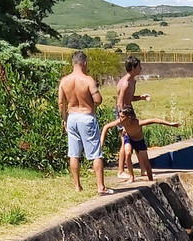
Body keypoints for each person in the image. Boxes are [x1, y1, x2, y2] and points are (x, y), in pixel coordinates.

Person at [58, 51, 110, 195]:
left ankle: (77, 186)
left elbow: (61, 103)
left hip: (72, 117)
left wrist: (65, 119)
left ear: (72, 63)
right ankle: (100, 187)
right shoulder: (88, 80)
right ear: (85, 63)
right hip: (86, 116)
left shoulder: (64, 81)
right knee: (95, 153)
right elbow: (98, 100)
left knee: (74, 153)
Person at [99, 105, 181, 183]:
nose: (120, 119)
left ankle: (150, 180)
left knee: (146, 165)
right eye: (120, 116)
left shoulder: (138, 123)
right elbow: (106, 127)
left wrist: (170, 124)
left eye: (122, 117)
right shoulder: (121, 122)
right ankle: (131, 177)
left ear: (129, 117)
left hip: (139, 141)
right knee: (127, 153)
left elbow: (154, 120)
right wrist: (101, 143)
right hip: (129, 138)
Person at [115, 56, 150, 179]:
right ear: (134, 68)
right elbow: (120, 103)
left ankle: (143, 169)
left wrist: (140, 97)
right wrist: (123, 122)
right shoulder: (125, 83)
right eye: (139, 66)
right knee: (125, 141)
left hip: (129, 111)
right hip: (124, 114)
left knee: (137, 138)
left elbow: (129, 98)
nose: (141, 68)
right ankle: (120, 170)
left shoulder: (132, 81)